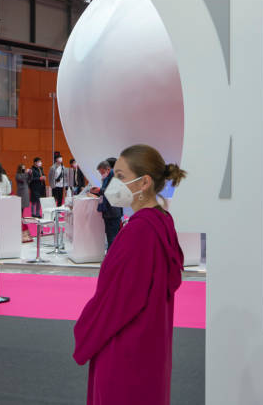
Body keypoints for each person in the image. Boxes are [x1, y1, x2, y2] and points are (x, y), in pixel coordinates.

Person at [73, 144, 186, 405]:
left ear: (144, 182)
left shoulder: (139, 232)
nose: (114, 182)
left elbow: (117, 301)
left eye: (121, 176)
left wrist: (85, 329)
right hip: (150, 343)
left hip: (124, 347)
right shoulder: (161, 221)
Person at [91, 160, 123, 250]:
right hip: (108, 211)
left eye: (102, 172)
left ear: (108, 169)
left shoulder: (115, 177)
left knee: (112, 237)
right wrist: (96, 192)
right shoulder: (107, 178)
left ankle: (111, 257)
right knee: (110, 236)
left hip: (113, 211)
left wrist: (99, 190)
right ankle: (111, 256)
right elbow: (105, 192)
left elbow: (112, 191)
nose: (102, 175)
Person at [16, 164, 33, 243]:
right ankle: (19, 216)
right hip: (20, 191)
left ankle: (21, 216)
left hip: (26, 190)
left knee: (24, 205)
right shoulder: (18, 175)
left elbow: (29, 180)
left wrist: (30, 174)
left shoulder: (25, 174)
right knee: (20, 205)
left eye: (24, 168)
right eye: (22, 168)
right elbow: (21, 179)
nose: (24, 169)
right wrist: (26, 173)